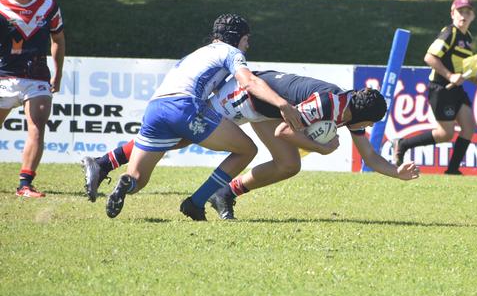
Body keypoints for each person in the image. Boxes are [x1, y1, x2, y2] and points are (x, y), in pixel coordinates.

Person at [83, 71, 420, 220]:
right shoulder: (328, 105)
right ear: (360, 113)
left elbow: (371, 158)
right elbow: (287, 133)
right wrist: (320, 148)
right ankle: (105, 161)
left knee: (289, 165)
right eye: (368, 124)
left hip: (267, 109)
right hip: (245, 97)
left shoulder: (352, 112)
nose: (366, 130)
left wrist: (397, 173)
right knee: (183, 135)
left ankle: (225, 193)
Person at [103, 13, 303, 219]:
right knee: (247, 150)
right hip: (184, 107)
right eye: (246, 39)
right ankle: (196, 202)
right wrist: (282, 104)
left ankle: (126, 182)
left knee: (138, 178)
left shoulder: (198, 53)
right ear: (237, 38)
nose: (247, 45)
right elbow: (248, 81)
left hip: (155, 108)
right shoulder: (232, 52)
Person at [393, 0, 477, 175]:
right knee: (446, 134)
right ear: (452, 14)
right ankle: (403, 144)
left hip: (455, 89)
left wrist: (474, 79)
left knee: (469, 126)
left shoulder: (468, 37)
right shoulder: (450, 33)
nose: (464, 15)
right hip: (441, 88)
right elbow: (429, 57)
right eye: (460, 11)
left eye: (468, 12)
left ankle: (452, 170)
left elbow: (460, 67)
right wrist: (450, 76)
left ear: (473, 16)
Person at [0, 0, 65, 197]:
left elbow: (58, 39)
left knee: (37, 128)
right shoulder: (1, 9)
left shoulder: (49, 7)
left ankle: (25, 184)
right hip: (4, 77)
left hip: (37, 77)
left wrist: (57, 74)